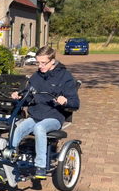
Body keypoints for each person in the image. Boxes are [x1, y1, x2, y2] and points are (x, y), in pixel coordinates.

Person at [10, 46, 80, 179]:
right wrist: (19, 97)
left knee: (39, 127)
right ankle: (9, 160)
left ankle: (40, 166)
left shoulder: (65, 76)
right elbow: (28, 98)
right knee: (19, 128)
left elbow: (75, 103)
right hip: (36, 115)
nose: (40, 66)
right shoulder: (36, 77)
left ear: (53, 60)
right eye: (38, 62)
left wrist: (65, 101)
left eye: (43, 63)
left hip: (54, 117)